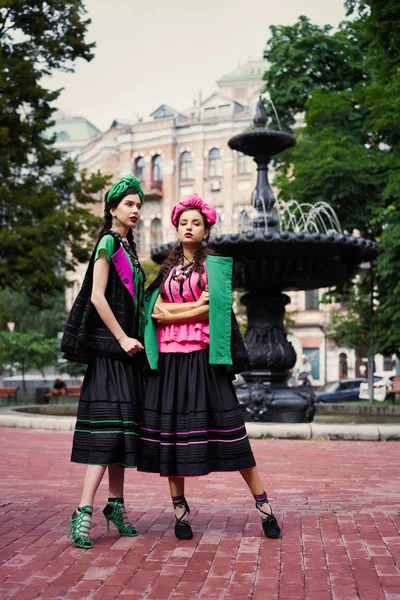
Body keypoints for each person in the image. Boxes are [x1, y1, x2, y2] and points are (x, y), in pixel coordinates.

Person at [138, 193, 280, 540]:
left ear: (206, 230)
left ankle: (264, 508)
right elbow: (152, 311)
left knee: (233, 434)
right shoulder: (167, 269)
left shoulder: (213, 266)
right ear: (177, 228)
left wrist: (172, 312)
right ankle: (180, 513)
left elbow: (211, 310)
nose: (188, 227)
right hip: (170, 360)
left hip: (204, 360)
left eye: (195, 223)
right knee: (171, 437)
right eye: (183, 223)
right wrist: (181, 309)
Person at [60, 175, 146, 549]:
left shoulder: (130, 249)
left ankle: (116, 505)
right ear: (113, 209)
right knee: (107, 434)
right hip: (111, 354)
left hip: (126, 358)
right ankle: (82, 512)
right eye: (129, 204)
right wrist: (122, 337)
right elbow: (97, 296)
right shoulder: (109, 243)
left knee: (122, 433)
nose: (136, 210)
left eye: (139, 204)